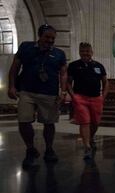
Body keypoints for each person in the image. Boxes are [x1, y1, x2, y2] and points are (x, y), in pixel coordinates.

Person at [8, 24, 68, 168]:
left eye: (53, 38)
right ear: (39, 36)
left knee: (49, 122)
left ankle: (49, 149)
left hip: (49, 92)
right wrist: (11, 86)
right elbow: (15, 67)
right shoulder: (26, 47)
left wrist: (63, 91)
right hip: (27, 91)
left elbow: (63, 73)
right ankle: (30, 149)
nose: (50, 40)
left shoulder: (59, 53)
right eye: (47, 37)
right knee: (23, 121)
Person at [67, 42, 108, 160]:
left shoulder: (99, 66)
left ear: (92, 52)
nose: (85, 53)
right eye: (83, 51)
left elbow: (105, 82)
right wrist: (73, 95)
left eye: (87, 51)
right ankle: (87, 147)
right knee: (85, 121)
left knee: (95, 122)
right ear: (79, 52)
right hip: (80, 98)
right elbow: (69, 82)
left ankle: (90, 138)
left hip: (96, 98)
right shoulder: (73, 65)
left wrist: (103, 96)